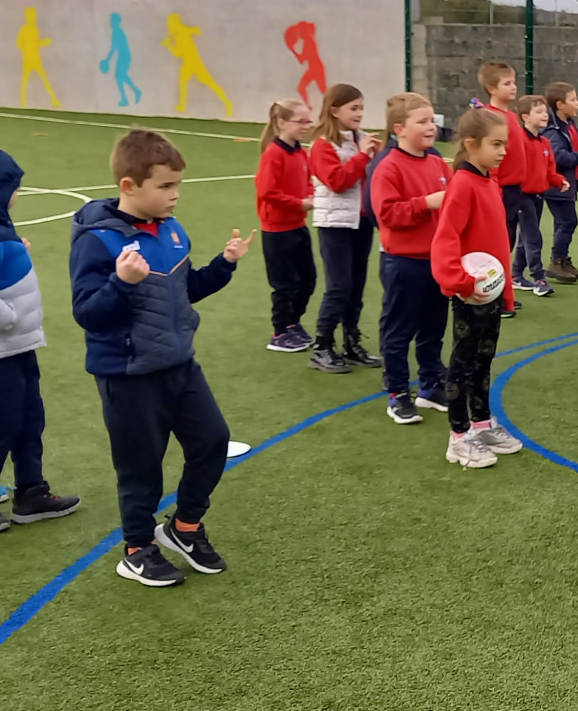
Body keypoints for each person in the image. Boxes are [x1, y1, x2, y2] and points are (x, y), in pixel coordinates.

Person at [69, 130, 248, 586]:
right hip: (127, 374)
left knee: (212, 441)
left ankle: (184, 527)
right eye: (165, 186)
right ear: (129, 186)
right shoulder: (98, 242)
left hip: (180, 365)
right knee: (141, 467)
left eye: (177, 185)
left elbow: (186, 292)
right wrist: (121, 283)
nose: (175, 195)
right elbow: (88, 314)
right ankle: (136, 549)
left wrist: (224, 265)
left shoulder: (171, 230)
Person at [0, 144, 81, 533]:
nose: (16, 194)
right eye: (10, 187)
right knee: (1, 424)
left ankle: (31, 491)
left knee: (28, 420)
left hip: (15, 347)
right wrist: (7, 320)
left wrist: (15, 253)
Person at [431, 108, 525, 469]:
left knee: (484, 359)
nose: (503, 151)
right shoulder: (463, 185)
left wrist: (504, 290)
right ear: (471, 144)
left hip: (490, 293)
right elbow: (446, 239)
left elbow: (496, 244)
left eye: (505, 144)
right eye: (495, 144)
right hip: (470, 294)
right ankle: (459, 437)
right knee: (463, 362)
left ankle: (482, 424)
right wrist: (461, 282)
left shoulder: (488, 181)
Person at [370, 93, 454, 426]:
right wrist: (425, 203)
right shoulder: (388, 167)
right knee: (399, 331)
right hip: (403, 262)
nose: (431, 127)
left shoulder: (437, 163)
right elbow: (387, 214)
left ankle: (430, 386)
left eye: (432, 120)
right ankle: (398, 394)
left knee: (433, 328)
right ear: (399, 129)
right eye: (422, 121)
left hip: (436, 260)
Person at [307, 84, 384, 373]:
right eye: (353, 108)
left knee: (356, 286)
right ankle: (322, 346)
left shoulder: (361, 139)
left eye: (361, 107)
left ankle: (352, 342)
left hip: (361, 222)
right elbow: (337, 182)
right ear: (334, 110)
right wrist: (363, 157)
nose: (359, 113)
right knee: (339, 287)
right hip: (335, 224)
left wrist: (375, 157)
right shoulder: (322, 145)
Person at [255, 99, 318, 353]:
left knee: (308, 280)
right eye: (300, 121)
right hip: (277, 231)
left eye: (308, 121)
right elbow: (267, 191)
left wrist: (310, 195)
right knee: (285, 284)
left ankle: (293, 322)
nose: (306, 126)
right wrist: (299, 203)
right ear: (281, 122)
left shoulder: (301, 152)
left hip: (297, 226)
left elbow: (308, 179)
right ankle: (279, 332)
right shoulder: (273, 154)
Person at [476, 62, 536, 310]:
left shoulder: (511, 116)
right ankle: (493, 295)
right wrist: (495, 189)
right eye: (507, 83)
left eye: (514, 82)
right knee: (497, 243)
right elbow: (492, 159)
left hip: (515, 189)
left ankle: (501, 291)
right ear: (492, 88)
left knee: (507, 242)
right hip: (501, 189)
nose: (514, 87)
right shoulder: (491, 118)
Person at [512, 95, 567, 296]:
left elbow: (549, 171)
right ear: (525, 117)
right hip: (521, 196)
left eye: (545, 111)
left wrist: (559, 180)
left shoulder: (545, 142)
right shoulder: (519, 140)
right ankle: (539, 278)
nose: (545, 115)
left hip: (538, 196)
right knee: (533, 237)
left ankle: (516, 275)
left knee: (525, 237)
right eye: (539, 112)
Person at [540, 82, 578, 284]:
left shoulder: (568, 124)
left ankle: (563, 260)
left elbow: (572, 143)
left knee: (563, 222)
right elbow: (558, 156)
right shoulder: (553, 129)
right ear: (560, 105)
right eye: (573, 100)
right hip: (557, 186)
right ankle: (557, 261)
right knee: (568, 222)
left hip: (567, 184)